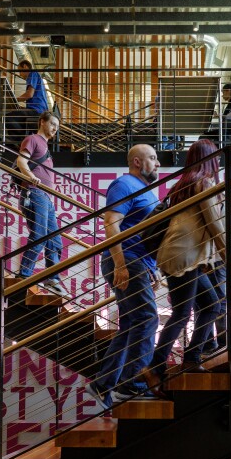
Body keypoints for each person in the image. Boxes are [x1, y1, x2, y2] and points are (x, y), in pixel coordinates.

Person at [86, 144, 162, 409]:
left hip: (138, 262)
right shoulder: (125, 184)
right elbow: (111, 223)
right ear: (138, 162)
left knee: (131, 323)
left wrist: (153, 269)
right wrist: (120, 264)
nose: (159, 163)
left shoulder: (145, 190)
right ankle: (131, 384)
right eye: (153, 158)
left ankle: (104, 383)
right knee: (147, 317)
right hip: (126, 260)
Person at [147, 139, 226, 381]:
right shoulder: (204, 183)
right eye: (217, 156)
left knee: (211, 304)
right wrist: (227, 256)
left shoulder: (184, 184)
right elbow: (214, 222)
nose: (220, 161)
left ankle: (191, 358)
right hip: (183, 257)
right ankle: (156, 366)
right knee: (182, 312)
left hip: (182, 256)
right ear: (210, 158)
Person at [15, 111, 66, 296]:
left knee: (55, 239)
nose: (54, 129)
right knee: (40, 235)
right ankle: (24, 274)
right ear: (42, 122)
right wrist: (32, 177)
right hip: (34, 193)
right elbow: (21, 160)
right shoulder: (33, 139)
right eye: (52, 124)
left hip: (45, 197)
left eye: (57, 127)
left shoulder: (45, 147)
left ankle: (52, 278)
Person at [5, 60, 49, 148]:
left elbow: (29, 94)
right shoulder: (36, 76)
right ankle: (21, 139)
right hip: (39, 109)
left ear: (25, 66)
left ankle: (18, 141)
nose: (20, 74)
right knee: (17, 115)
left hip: (37, 110)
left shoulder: (32, 74)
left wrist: (14, 100)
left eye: (20, 71)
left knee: (9, 117)